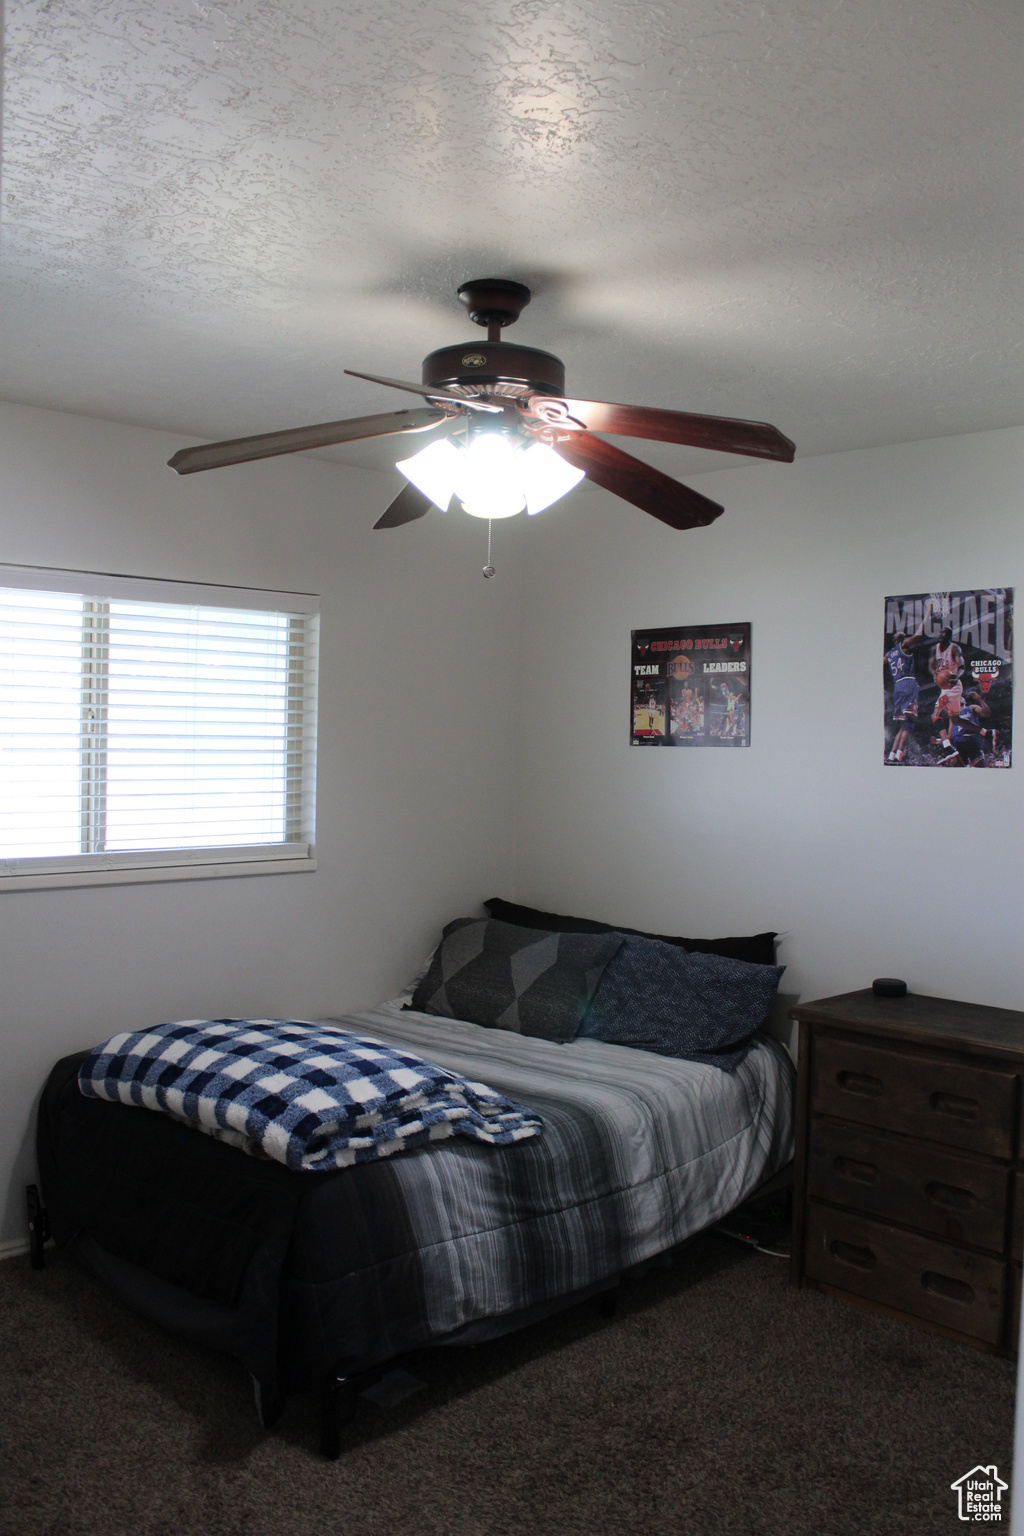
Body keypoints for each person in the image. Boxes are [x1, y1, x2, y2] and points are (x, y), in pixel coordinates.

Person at [884, 611, 931, 763]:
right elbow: (919, 634)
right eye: (904, 636)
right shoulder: (903, 645)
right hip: (908, 683)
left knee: (902, 724)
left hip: (897, 687)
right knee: (909, 723)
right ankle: (899, 755)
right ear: (900, 639)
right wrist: (928, 612)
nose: (905, 638)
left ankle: (892, 755)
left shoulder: (888, 655)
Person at [929, 626, 966, 748]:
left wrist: (956, 677)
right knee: (952, 724)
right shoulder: (934, 649)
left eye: (943, 632)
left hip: (953, 687)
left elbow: (962, 667)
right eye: (940, 632)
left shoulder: (954, 648)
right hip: (944, 689)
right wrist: (934, 673)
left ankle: (946, 747)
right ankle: (947, 744)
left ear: (949, 635)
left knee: (935, 714)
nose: (940, 634)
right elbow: (931, 665)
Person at [940, 689, 990, 766]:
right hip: (959, 744)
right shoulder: (953, 715)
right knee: (955, 766)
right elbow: (950, 735)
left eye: (960, 697)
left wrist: (979, 699)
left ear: (965, 701)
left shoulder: (971, 708)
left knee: (979, 768)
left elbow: (986, 713)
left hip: (972, 741)